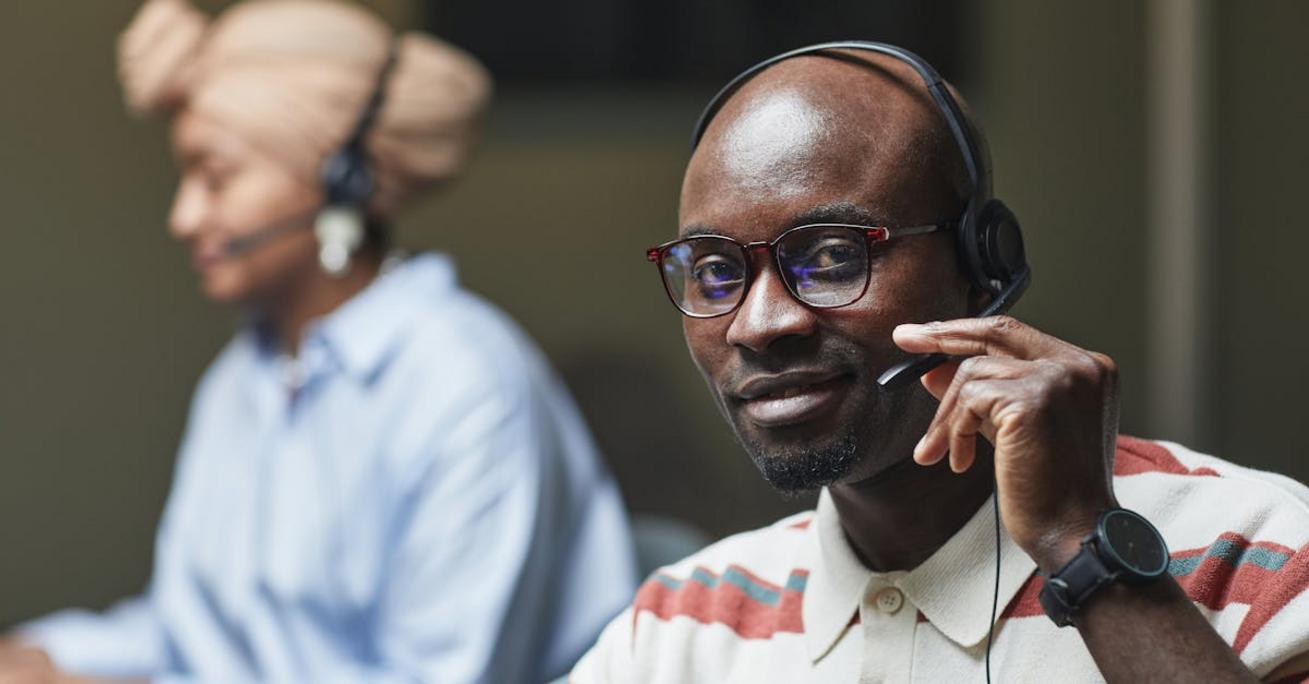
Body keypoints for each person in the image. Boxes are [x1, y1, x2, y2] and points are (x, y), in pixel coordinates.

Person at [571, 43, 1309, 682]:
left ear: (982, 269)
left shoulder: (1258, 556)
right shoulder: (676, 632)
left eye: (831, 256)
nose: (760, 325)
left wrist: (1082, 546)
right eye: (714, 271)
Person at [0, 1, 636, 682]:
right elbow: (199, 635)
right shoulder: (243, 379)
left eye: (215, 177)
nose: (183, 217)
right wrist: (46, 655)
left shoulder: (465, 384)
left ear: (339, 182)